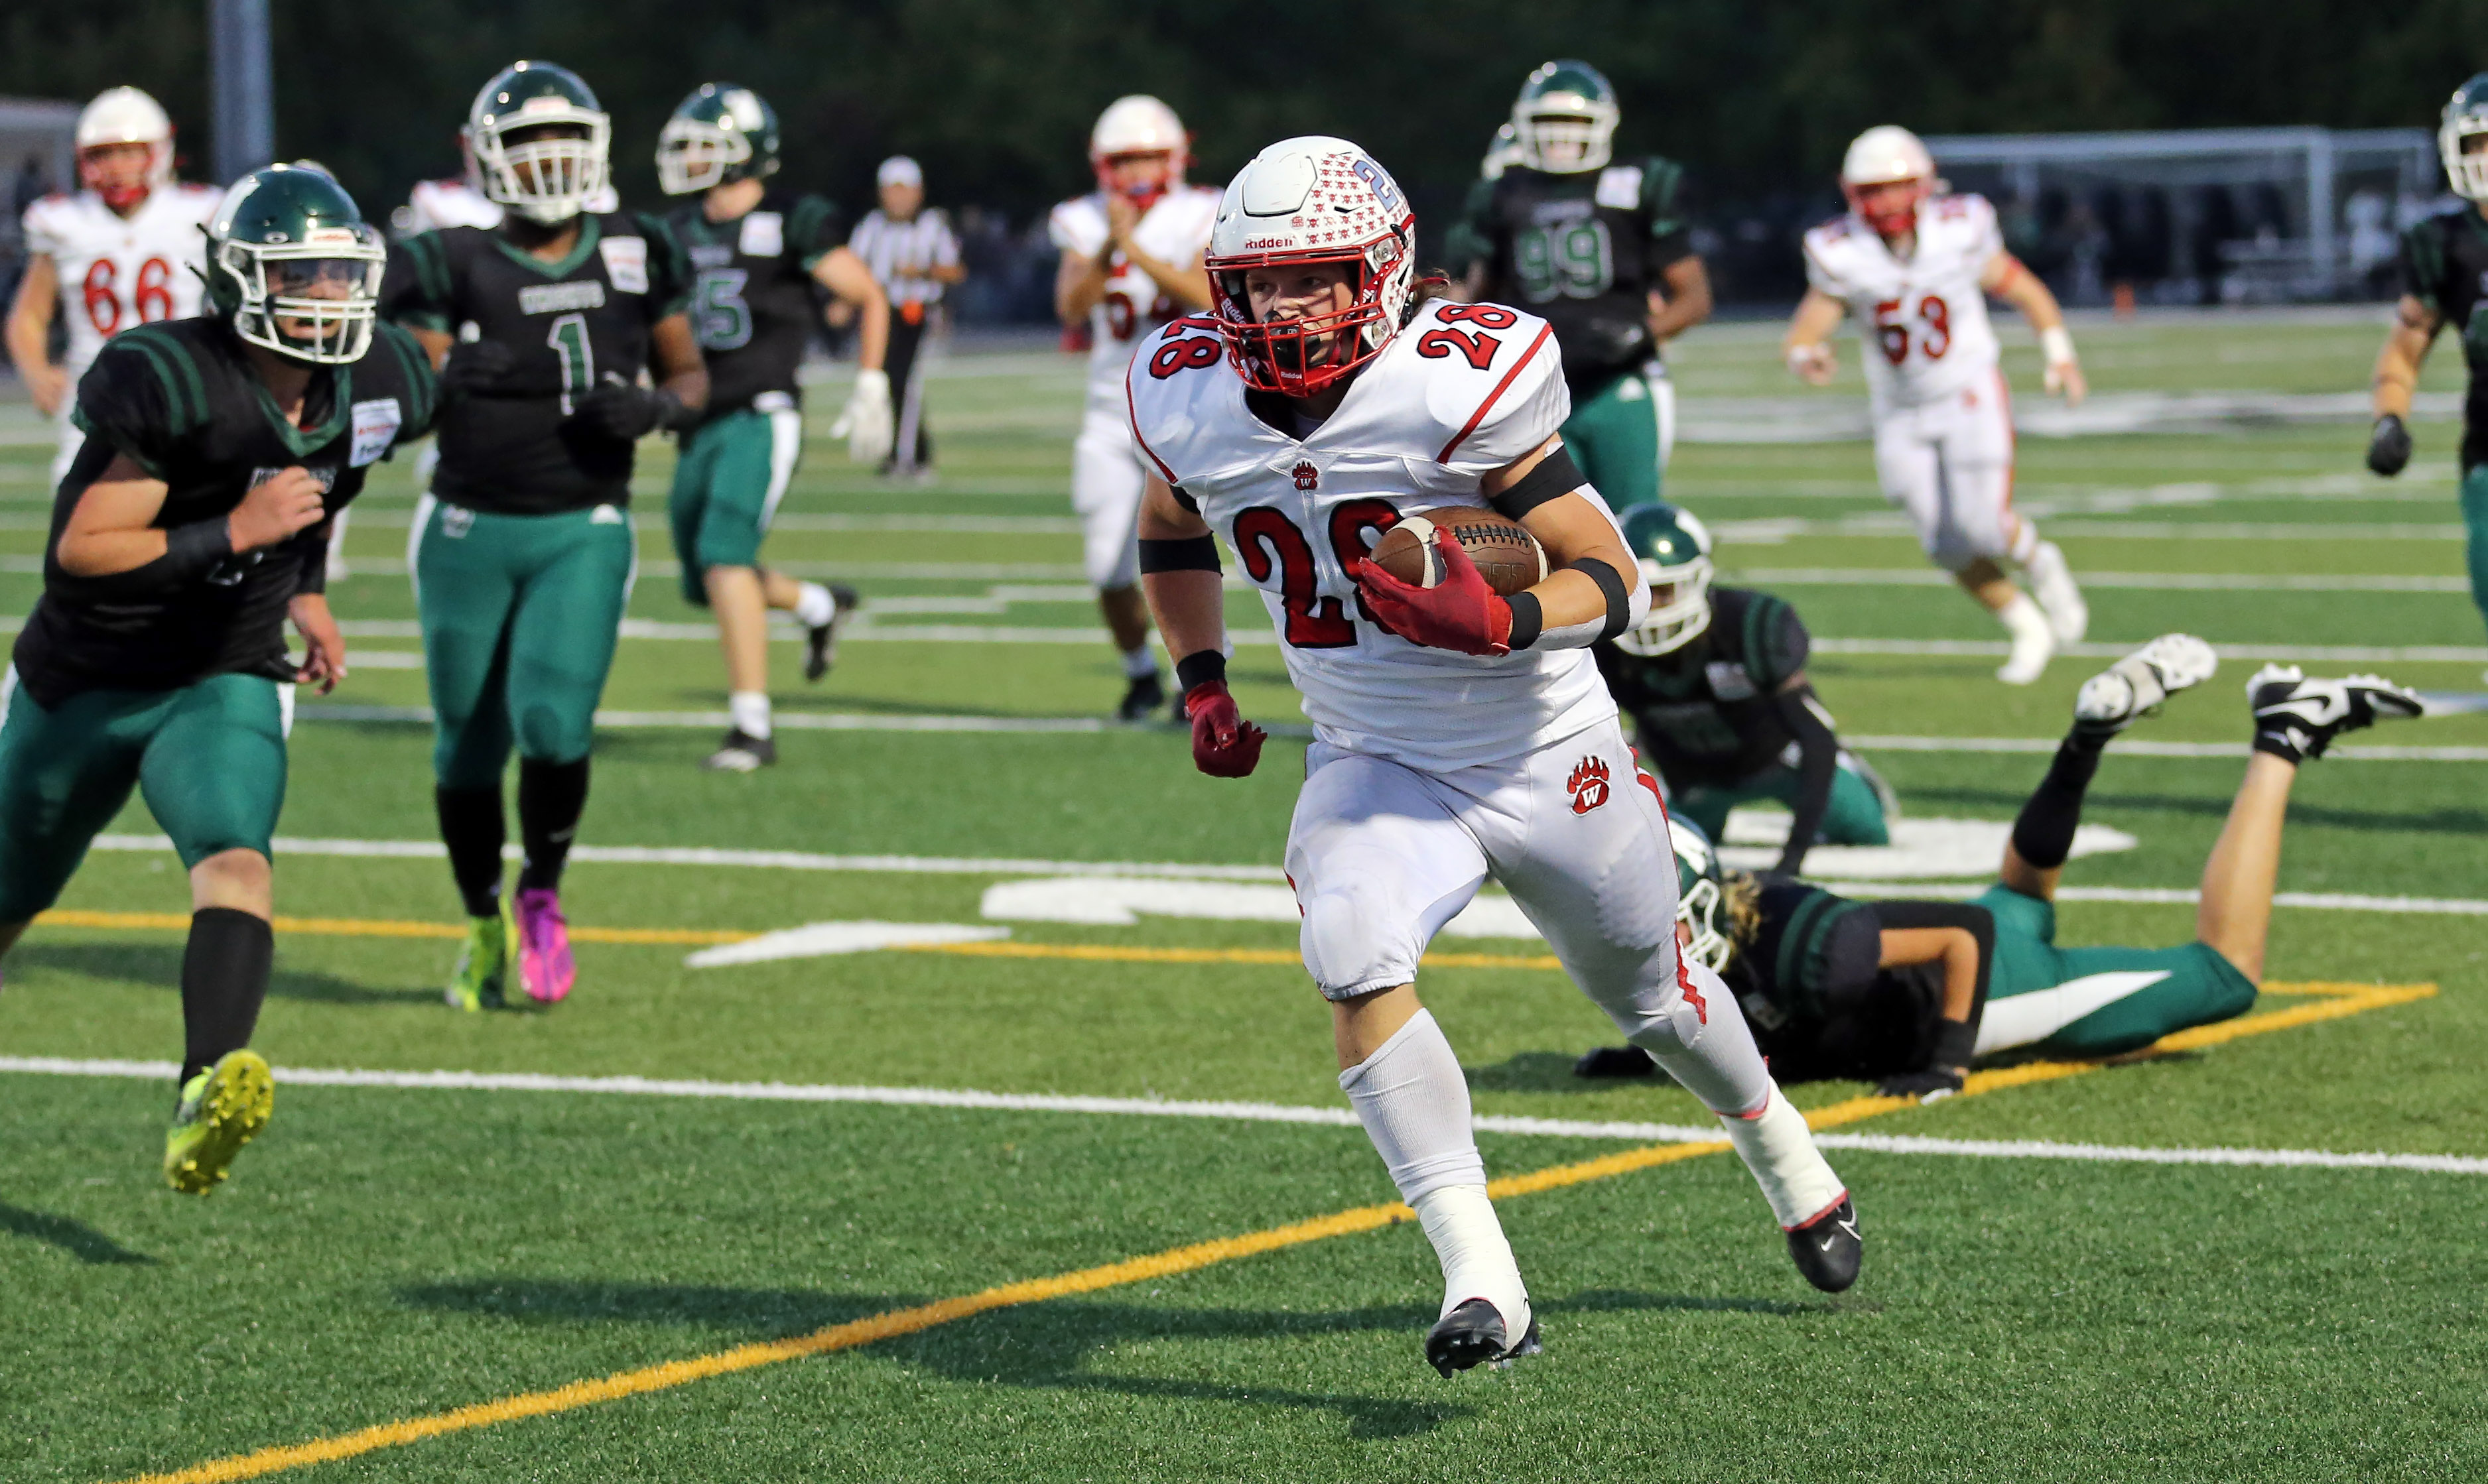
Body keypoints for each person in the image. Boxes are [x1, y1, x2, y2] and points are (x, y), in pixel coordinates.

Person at [1131, 135, 1861, 1377]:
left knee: (1655, 1000)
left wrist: (1503, 615)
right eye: (1258, 282)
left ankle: (1785, 1149)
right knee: (1350, 949)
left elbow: (1612, 572)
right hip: (1373, 753)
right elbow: (1171, 530)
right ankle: (1484, 1279)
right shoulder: (1183, 386)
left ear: (1384, 265)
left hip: (1542, 744)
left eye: (1313, 278)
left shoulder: (1458, 374)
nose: (1281, 306)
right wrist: (1200, 678)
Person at [0, 164, 431, 1191]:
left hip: (223, 665)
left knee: (236, 861)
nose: (330, 296)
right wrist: (232, 532)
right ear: (242, 281)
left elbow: (323, 484)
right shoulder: (173, 375)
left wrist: (305, 587)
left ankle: (204, 1088)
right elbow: (86, 548)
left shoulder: (380, 379)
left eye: (340, 273)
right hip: (91, 675)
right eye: (303, 276)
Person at [1577, 637, 2423, 1095]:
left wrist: (1947, 1061)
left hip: (1998, 990)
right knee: (2022, 892)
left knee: (2227, 975)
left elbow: (1963, 934)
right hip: (1961, 955)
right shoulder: (1735, 936)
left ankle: (2283, 732)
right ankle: (2083, 741)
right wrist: (1635, 1057)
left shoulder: (1803, 948)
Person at [382, 61, 706, 1011]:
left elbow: (691, 377)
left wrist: (653, 408)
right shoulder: (452, 258)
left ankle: (540, 894)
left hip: (583, 523)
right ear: (486, 156)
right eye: (524, 140)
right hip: (467, 527)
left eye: (560, 137)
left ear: (596, 143)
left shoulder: (639, 246)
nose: (546, 156)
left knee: (554, 724)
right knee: (465, 750)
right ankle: (480, 914)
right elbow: (411, 392)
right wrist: (439, 381)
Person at [1784, 125, 2089, 686]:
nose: (1886, 203)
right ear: (1851, 193)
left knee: (1986, 528)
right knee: (1944, 546)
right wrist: (1805, 353)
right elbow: (1814, 319)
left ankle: (2041, 564)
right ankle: (2026, 626)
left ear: (1923, 185)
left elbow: (2023, 289)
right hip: (1899, 408)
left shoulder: (1959, 229)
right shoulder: (1839, 249)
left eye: (1896, 187)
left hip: (1967, 390)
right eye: (1872, 190)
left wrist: (2058, 354)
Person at [656, 82, 890, 772]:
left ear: (745, 153)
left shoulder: (792, 221)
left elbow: (866, 293)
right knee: (705, 578)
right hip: (697, 423)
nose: (689, 159)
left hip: (761, 413)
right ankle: (817, 604)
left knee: (726, 556)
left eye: (704, 146)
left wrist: (873, 381)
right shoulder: (674, 232)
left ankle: (750, 728)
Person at [1449, 60, 1711, 515]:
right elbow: (1474, 297)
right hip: (1535, 389)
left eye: (1573, 121)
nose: (1561, 135)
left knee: (1633, 522)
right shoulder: (1502, 194)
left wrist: (1640, 336)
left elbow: (1693, 296)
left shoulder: (1635, 184)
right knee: (1542, 533)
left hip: (1617, 384)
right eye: (1549, 121)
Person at [1595, 504, 1893, 875]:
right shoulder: (1603, 645)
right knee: (1676, 856)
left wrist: (1792, 858)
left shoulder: (1748, 627)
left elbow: (1817, 739)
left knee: (1868, 832)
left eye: (1665, 590)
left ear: (1697, 581)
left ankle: (1856, 776)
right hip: (1696, 779)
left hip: (1782, 761)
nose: (1653, 608)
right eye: (1640, 593)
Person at [1050, 95, 1219, 720]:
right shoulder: (1082, 220)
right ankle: (1140, 672)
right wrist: (1108, 248)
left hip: (1186, 414)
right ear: (1103, 165)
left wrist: (1135, 249)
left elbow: (1208, 293)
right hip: (1108, 413)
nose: (1138, 170)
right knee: (1106, 566)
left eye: (1149, 156)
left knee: (1189, 555)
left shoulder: (1203, 210)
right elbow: (1071, 305)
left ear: (1174, 157)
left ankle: (1198, 683)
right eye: (1126, 159)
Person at [5, 88, 220, 492]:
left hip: (187, 396)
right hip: (95, 401)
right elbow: (29, 316)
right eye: (102, 154)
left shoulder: (202, 212)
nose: (116, 167)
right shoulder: (64, 221)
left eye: (128, 152)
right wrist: (36, 373)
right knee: (81, 541)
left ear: (160, 153)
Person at [2369, 73, 2488, 673]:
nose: (2485, 157)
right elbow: (2408, 341)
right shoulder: (2445, 243)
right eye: (2477, 143)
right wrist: (2389, 418)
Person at [848, 155, 961, 479]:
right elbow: (854, 268)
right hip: (881, 312)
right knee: (884, 382)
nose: (898, 198)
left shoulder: (932, 225)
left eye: (904, 190)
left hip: (917, 312)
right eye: (891, 191)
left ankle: (908, 457)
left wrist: (921, 271)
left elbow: (955, 270)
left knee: (907, 383)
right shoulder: (871, 226)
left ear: (917, 193)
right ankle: (900, 452)